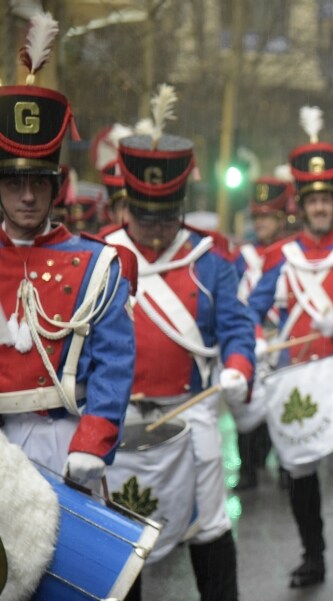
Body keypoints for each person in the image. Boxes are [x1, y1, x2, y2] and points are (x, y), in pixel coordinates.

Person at [103, 84, 255, 601]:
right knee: (119, 543)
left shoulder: (209, 261)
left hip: (190, 420)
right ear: (127, 204)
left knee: (210, 529)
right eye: (145, 217)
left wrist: (237, 365)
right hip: (117, 423)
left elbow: (237, 326)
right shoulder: (99, 259)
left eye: (166, 216)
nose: (155, 230)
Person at [247, 108, 333, 593]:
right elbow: (250, 311)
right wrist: (259, 340)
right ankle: (313, 559)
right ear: (301, 206)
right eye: (313, 201)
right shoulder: (279, 258)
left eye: (328, 200)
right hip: (294, 379)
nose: (322, 208)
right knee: (300, 472)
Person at [0, 13, 135, 492]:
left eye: (38, 181)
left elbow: (114, 364)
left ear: (55, 186)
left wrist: (93, 440)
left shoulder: (99, 266)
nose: (28, 197)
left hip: (69, 444)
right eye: (14, 182)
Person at [231, 176, 293, 491]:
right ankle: (248, 469)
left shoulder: (290, 252)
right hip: (250, 336)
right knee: (245, 399)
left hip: (282, 337)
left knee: (282, 403)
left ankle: (286, 466)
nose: (262, 223)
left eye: (268, 217)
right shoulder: (241, 256)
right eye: (258, 217)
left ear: (281, 219)